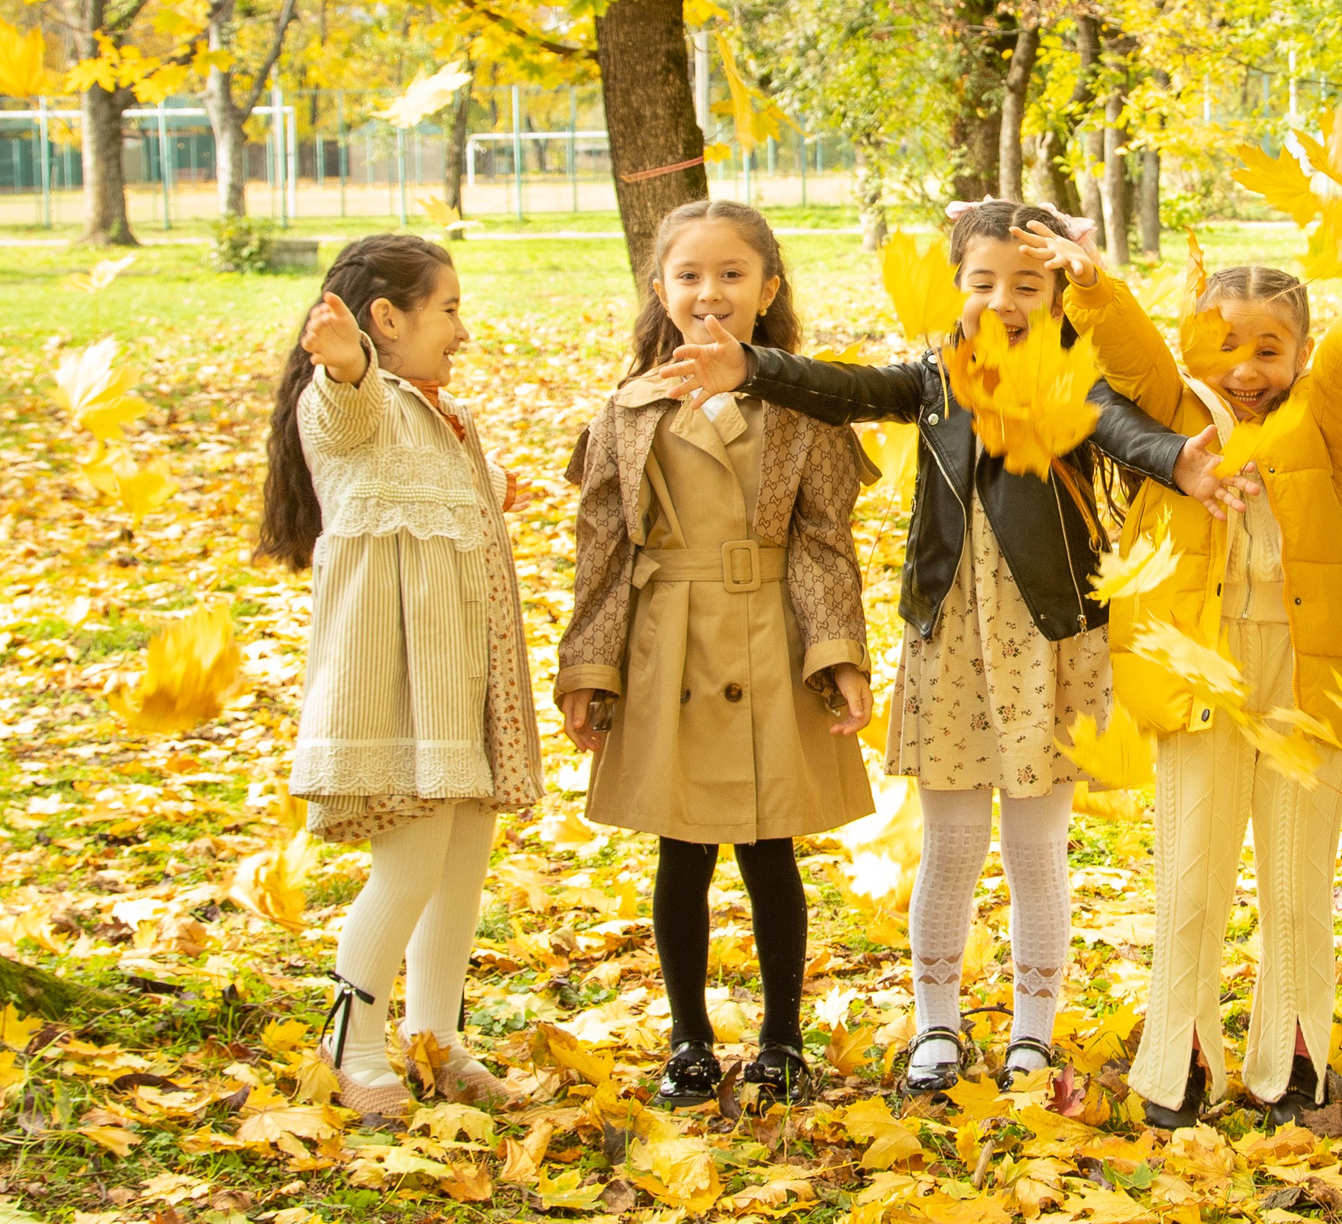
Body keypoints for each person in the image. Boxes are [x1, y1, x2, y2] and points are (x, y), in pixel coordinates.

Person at [657, 200, 1244, 1095]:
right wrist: (752, 366)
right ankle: (937, 1024)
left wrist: (1177, 461)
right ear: (956, 287)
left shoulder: (1071, 377)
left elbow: (1120, 427)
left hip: (1047, 638)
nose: (1003, 301)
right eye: (983, 281)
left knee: (1037, 851)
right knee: (953, 844)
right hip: (950, 639)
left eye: (1028, 285)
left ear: (1058, 295)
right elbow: (845, 387)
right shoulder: (935, 380)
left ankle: (1033, 1031)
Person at [1031, 226, 1342, 1128]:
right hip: (1201, 669)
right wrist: (1095, 289)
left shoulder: (1321, 419)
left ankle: (1298, 1055)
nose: (1245, 368)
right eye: (1225, 343)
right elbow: (1132, 354)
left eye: (1270, 348)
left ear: (1300, 352)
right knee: (1192, 875)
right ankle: (1180, 1057)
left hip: (1306, 671)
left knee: (1298, 878)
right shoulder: (1174, 411)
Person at [556, 200, 877, 1108]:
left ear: (768, 289)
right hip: (670, 645)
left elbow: (824, 540)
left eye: (732, 273)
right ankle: (688, 1039)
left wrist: (839, 652)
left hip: (769, 638)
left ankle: (782, 1039)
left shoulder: (805, 408)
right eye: (689, 274)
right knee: (683, 847)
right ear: (660, 289)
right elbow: (601, 549)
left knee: (771, 847)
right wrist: (590, 668)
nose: (710, 292)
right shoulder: (628, 412)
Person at [257, 233, 538, 1124]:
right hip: (400, 691)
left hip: (465, 686)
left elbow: (455, 486)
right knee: (409, 867)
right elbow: (346, 409)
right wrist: (345, 362)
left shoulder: (443, 415)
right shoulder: (356, 402)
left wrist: (502, 484)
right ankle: (353, 1044)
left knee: (460, 867)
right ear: (387, 317)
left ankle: (436, 1036)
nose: (462, 329)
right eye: (447, 309)